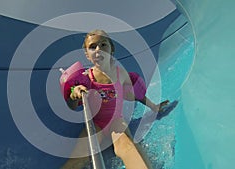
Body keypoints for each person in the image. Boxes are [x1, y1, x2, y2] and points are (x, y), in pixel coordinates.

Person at [61, 29, 168, 169]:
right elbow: (72, 105)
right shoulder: (86, 78)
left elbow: (136, 94)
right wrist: (74, 94)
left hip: (116, 121)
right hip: (96, 124)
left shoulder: (121, 74)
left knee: (128, 148)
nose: (98, 49)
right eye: (93, 47)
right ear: (87, 54)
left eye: (103, 45)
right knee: (77, 159)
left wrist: (154, 107)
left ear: (112, 49)